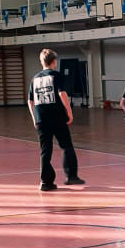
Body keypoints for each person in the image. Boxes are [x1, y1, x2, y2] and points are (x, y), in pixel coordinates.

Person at [28, 48, 85, 191]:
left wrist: (34, 117)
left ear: (41, 62)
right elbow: (62, 94)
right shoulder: (56, 75)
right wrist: (69, 112)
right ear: (54, 62)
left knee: (45, 150)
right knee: (66, 145)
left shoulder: (35, 78)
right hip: (56, 117)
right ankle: (71, 176)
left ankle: (45, 182)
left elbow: (30, 101)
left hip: (41, 118)